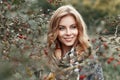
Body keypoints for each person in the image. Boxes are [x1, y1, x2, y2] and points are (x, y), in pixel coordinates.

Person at [44, 5, 104, 80]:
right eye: (61, 28)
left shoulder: (89, 60)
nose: (68, 33)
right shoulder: (46, 58)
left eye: (73, 27)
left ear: (79, 29)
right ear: (54, 30)